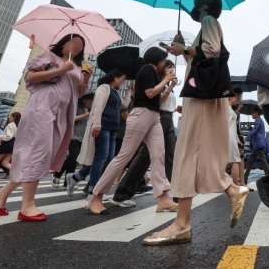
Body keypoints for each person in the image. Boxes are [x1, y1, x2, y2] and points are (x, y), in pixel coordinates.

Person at [148, 0, 249, 246]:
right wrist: (184, 51)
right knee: (195, 154)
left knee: (187, 152)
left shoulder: (209, 22)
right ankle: (231, 190)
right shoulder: (207, 27)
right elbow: (201, 58)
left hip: (200, 97)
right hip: (205, 95)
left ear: (203, 7)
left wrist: (186, 49)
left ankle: (183, 223)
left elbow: (212, 51)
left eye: (196, 6)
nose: (193, 10)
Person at [0, 33, 92, 220]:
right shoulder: (49, 57)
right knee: (38, 152)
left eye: (80, 45)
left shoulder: (76, 66)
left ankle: (1, 194)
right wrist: (61, 69)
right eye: (74, 42)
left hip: (62, 113)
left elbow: (77, 94)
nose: (76, 47)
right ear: (63, 44)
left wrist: (84, 80)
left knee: (43, 154)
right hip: (42, 108)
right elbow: (32, 77)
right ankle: (27, 206)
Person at [81, 47, 176, 215]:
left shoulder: (154, 75)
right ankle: (95, 197)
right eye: (164, 60)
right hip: (141, 114)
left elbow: (158, 100)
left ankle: (162, 197)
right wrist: (165, 80)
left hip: (154, 117)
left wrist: (169, 86)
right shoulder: (147, 69)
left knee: (158, 155)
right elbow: (149, 93)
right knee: (123, 157)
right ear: (158, 59)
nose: (165, 64)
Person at [110, 59, 180, 207]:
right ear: (161, 68)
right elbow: (158, 102)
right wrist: (167, 86)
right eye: (168, 67)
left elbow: (167, 104)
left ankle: (176, 194)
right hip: (156, 117)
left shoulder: (169, 84)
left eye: (172, 67)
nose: (171, 70)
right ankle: (122, 193)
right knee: (144, 156)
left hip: (168, 119)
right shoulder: (155, 82)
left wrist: (172, 87)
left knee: (170, 157)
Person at [68, 69, 130, 197]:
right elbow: (98, 107)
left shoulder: (114, 92)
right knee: (101, 158)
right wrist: (97, 125)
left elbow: (124, 104)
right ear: (115, 77)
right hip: (103, 126)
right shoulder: (103, 88)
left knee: (108, 160)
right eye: (122, 79)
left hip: (113, 128)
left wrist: (129, 92)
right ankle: (93, 190)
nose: (122, 82)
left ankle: (76, 177)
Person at [51, 92, 93, 188]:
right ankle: (56, 174)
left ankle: (67, 182)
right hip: (72, 136)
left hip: (83, 138)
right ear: (84, 100)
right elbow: (71, 119)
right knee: (73, 156)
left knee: (74, 159)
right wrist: (85, 115)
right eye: (90, 100)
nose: (91, 103)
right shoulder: (77, 107)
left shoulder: (90, 110)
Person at [244, 107, 269, 184]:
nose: (252, 114)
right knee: (250, 161)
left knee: (262, 161)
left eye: (253, 113)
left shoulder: (258, 120)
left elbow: (255, 131)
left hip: (258, 144)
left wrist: (247, 137)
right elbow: (255, 131)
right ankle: (244, 179)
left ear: (256, 113)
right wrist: (250, 127)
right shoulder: (258, 121)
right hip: (257, 145)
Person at [228, 88, 245, 186]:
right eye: (235, 96)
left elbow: (234, 126)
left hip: (233, 137)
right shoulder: (228, 108)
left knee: (234, 160)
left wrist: (238, 139)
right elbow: (226, 123)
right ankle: (235, 185)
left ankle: (236, 184)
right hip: (229, 136)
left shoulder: (230, 108)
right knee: (235, 160)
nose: (237, 98)